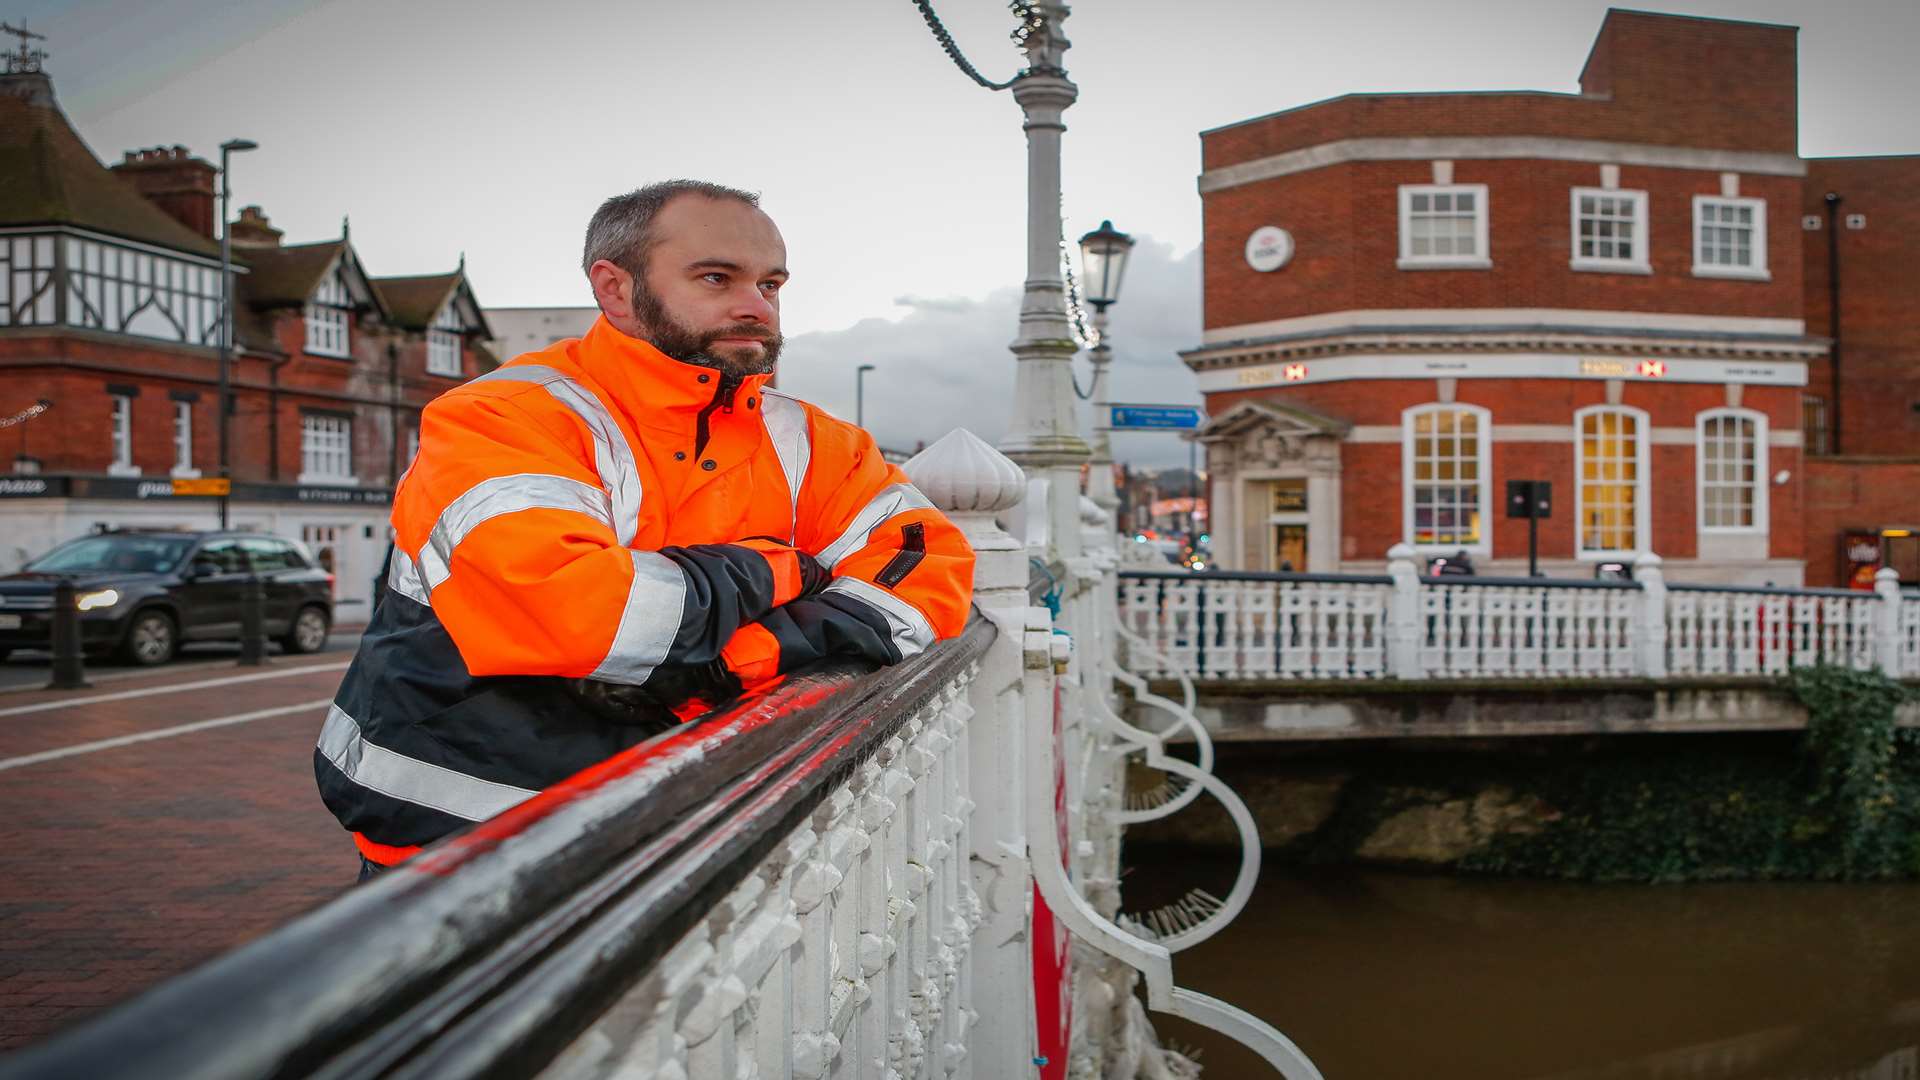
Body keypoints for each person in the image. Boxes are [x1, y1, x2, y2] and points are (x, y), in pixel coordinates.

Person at [315, 180, 975, 879]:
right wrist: (777, 570)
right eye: (716, 278)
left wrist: (744, 657)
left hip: (684, 830)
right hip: (465, 847)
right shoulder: (504, 416)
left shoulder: (811, 440)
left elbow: (928, 567)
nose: (757, 306)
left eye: (771, 283)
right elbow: (585, 615)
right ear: (615, 289)